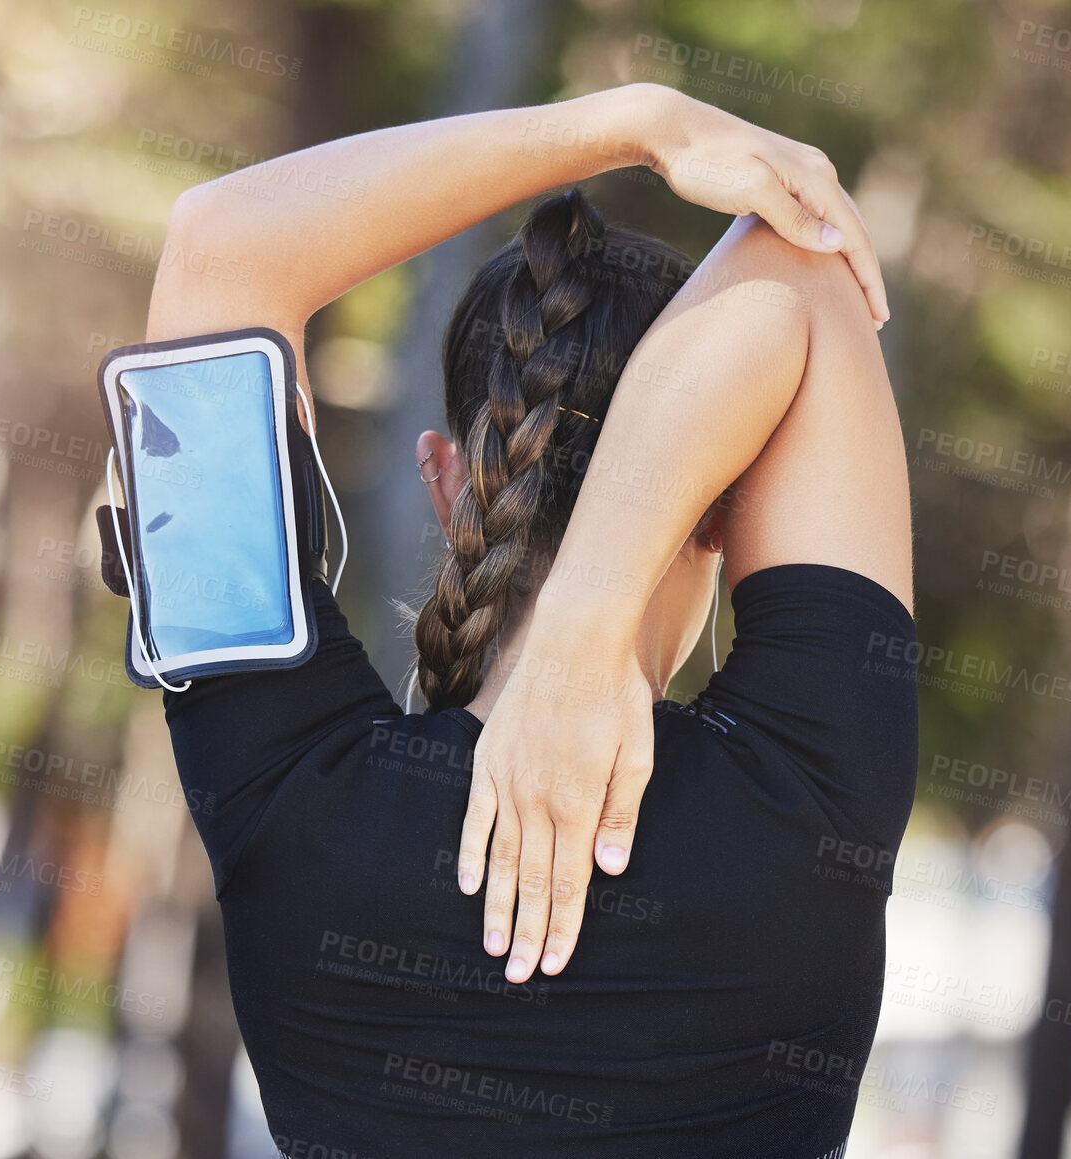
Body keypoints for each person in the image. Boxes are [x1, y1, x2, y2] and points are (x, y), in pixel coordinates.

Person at [145, 81, 917, 1157]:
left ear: (446, 479)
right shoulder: (813, 790)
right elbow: (799, 263)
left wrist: (638, 123)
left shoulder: (283, 786)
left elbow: (218, 247)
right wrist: (588, 619)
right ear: (730, 507)